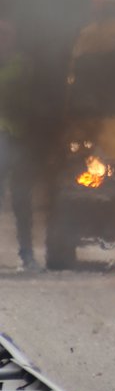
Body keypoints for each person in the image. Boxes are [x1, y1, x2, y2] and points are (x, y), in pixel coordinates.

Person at [0, 16, 37, 271]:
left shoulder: (23, 65)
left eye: (7, 34)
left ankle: (27, 254)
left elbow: (34, 100)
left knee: (23, 198)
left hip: (20, 138)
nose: (4, 39)